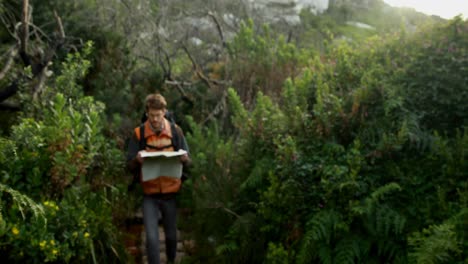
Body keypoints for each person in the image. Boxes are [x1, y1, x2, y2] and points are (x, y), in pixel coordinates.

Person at [126, 93, 190, 264]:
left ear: (164, 112)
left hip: (171, 193)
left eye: (158, 115)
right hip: (150, 194)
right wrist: (137, 160)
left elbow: (188, 160)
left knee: (171, 237)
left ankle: (170, 260)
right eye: (151, 115)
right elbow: (129, 164)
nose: (154, 119)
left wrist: (185, 159)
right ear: (147, 113)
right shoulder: (138, 134)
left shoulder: (176, 132)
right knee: (152, 239)